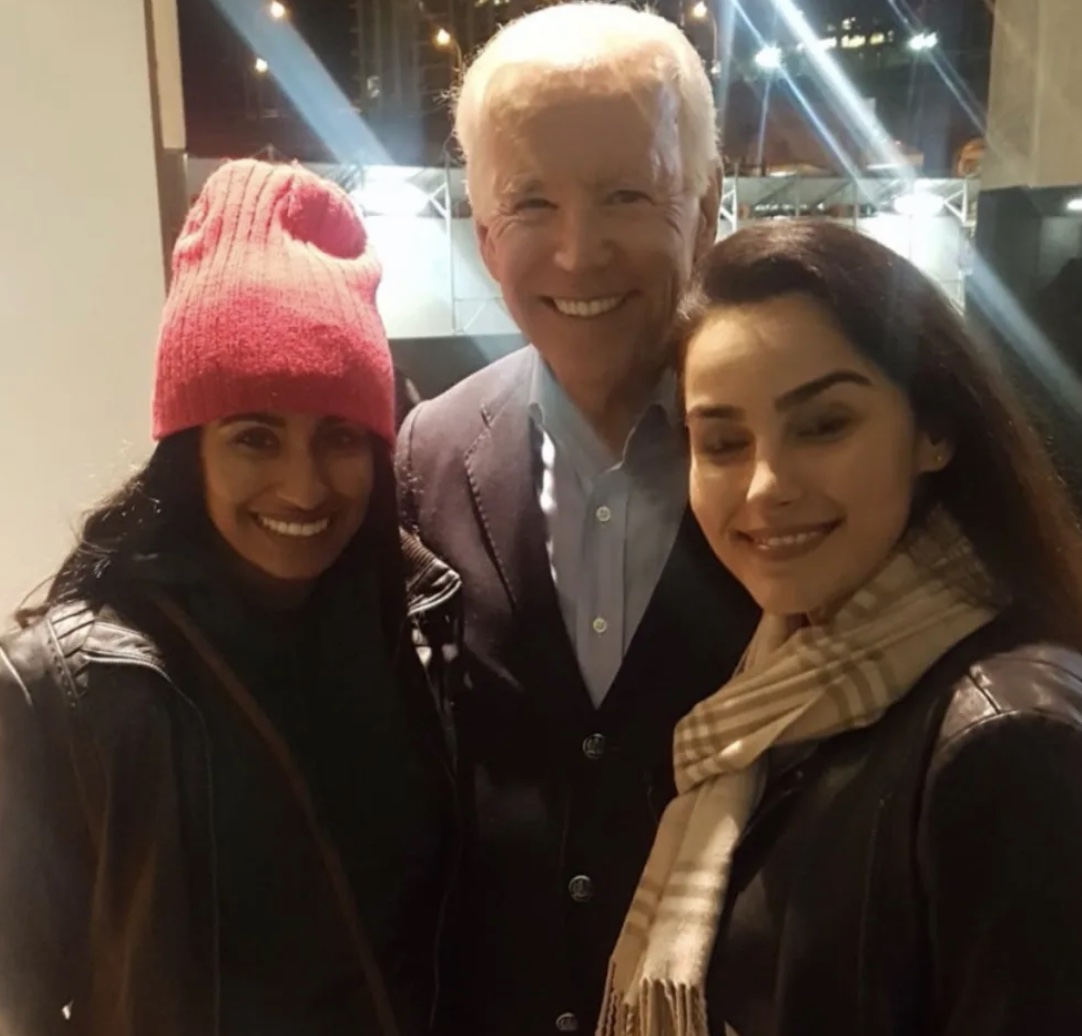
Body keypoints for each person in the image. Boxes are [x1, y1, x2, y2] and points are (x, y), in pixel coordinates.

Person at [0, 160, 460, 1036]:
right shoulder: (70, 689)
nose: (303, 486)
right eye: (255, 438)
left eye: (339, 439)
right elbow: (27, 998)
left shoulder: (415, 631)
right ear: (188, 453)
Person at [601, 219, 1082, 1036]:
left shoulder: (1010, 740)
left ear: (934, 430)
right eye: (722, 441)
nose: (764, 486)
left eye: (823, 426)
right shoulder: (777, 689)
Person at [395, 5, 757, 1034]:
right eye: (530, 204)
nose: (577, 250)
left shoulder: (785, 459)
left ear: (705, 206)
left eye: (625, 194)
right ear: (481, 230)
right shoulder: (428, 449)